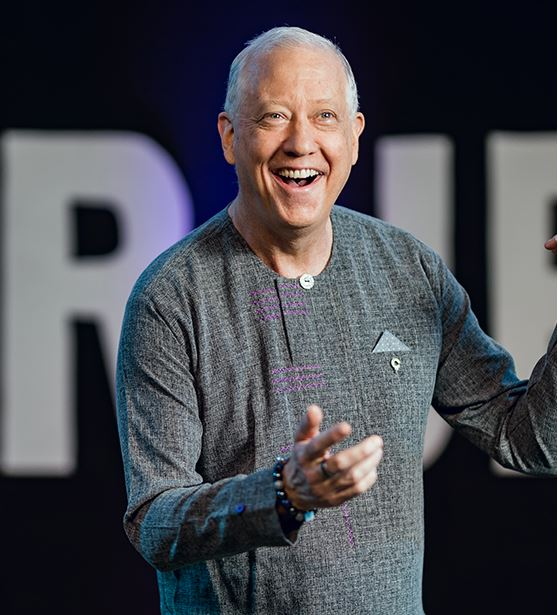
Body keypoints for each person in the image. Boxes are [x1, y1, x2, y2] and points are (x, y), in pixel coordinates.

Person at [116, 26, 556, 615]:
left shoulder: (409, 270)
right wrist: (281, 495)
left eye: (325, 116)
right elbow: (154, 521)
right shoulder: (170, 297)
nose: (301, 143)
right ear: (229, 137)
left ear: (353, 137)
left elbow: (532, 441)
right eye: (274, 116)